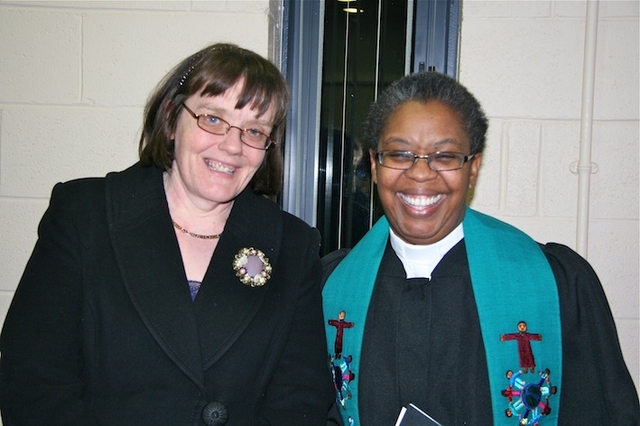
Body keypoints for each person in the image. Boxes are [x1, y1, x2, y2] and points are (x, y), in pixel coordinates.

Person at [0, 42, 334, 426]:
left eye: (254, 130)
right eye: (212, 118)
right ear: (173, 117)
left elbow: (300, 397)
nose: (232, 146)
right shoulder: (84, 215)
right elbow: (35, 381)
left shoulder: (293, 245)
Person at [322, 71, 639, 426]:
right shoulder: (332, 288)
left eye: (445, 156)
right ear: (374, 165)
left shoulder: (557, 283)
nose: (421, 174)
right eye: (399, 154)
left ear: (473, 169)